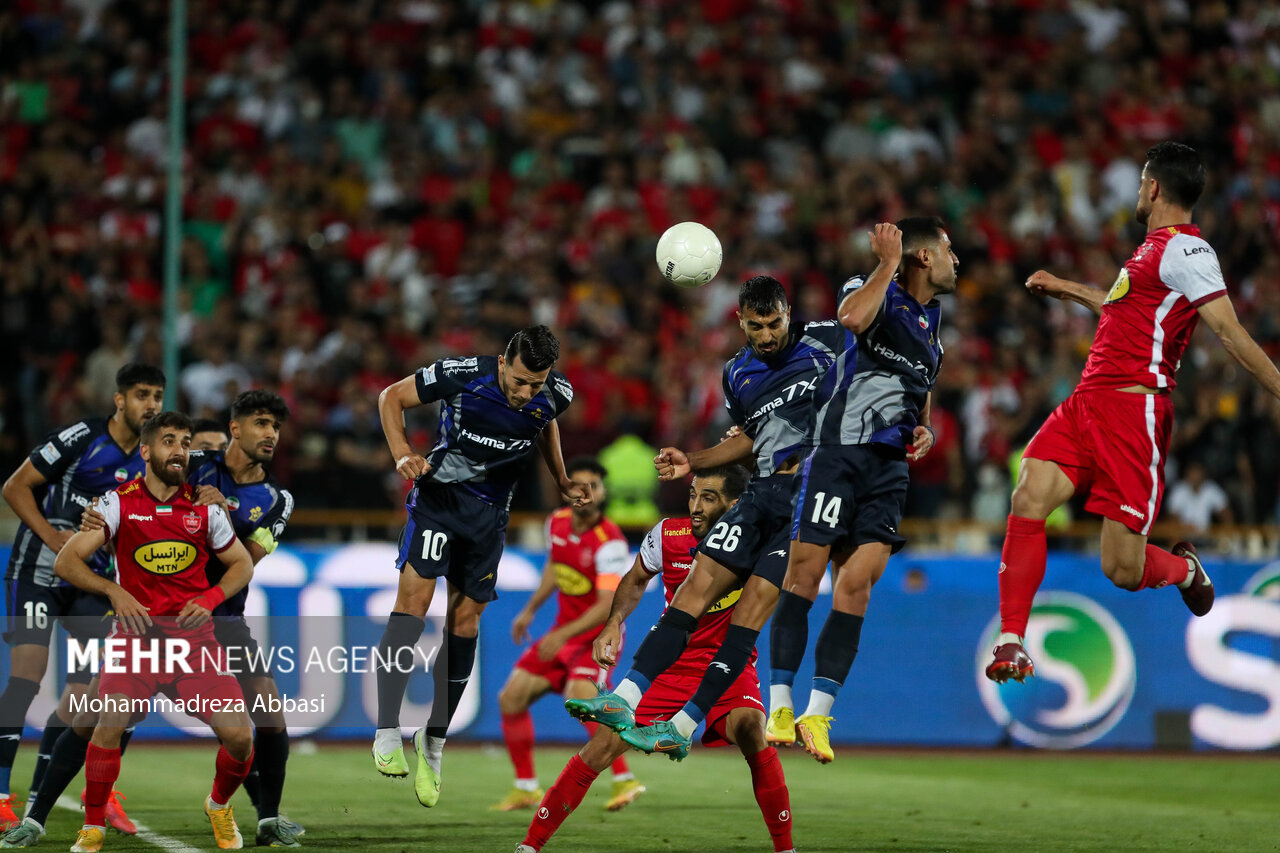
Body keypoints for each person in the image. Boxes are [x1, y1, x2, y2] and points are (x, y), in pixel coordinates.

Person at [986, 141, 1280, 683]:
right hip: (1086, 402)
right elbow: (1123, 309)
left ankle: (1185, 569)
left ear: (1153, 188)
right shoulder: (1150, 251)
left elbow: (1229, 332)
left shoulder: (1189, 252)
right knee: (1028, 494)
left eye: (1141, 183)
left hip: (1133, 413)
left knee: (1121, 568)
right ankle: (1012, 641)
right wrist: (1066, 288)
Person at [565, 276, 848, 761]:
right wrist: (692, 461)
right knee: (694, 587)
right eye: (755, 326)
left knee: (750, 610)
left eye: (774, 323)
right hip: (762, 492)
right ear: (740, 321)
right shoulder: (737, 373)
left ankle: (684, 722)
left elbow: (887, 360)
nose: (765, 335)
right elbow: (752, 438)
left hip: (810, 496)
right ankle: (625, 697)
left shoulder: (829, 338)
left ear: (788, 313)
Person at [6, 391, 302, 849]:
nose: (270, 434)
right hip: (141, 624)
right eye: (260, 424)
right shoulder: (191, 463)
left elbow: (248, 559)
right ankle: (43, 816)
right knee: (89, 714)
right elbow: (133, 475)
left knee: (261, 718)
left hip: (216, 620)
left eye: (276, 427)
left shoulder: (274, 499)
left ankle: (263, 816)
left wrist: (216, 521)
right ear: (234, 430)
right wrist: (98, 520)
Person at [515, 466, 796, 853]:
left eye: (709, 498)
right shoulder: (669, 534)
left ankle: (786, 849)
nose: (696, 507)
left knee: (750, 728)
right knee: (598, 751)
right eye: (693, 495)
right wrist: (613, 622)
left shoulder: (761, 543)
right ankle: (530, 846)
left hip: (727, 667)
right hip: (668, 666)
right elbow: (633, 579)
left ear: (735, 504)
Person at [372, 326, 590, 808]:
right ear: (502, 362)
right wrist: (402, 453)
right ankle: (387, 727)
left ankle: (434, 740)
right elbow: (390, 397)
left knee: (466, 621)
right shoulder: (462, 374)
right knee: (414, 601)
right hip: (439, 501)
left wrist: (560, 478)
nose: (525, 392)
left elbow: (545, 420)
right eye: (518, 381)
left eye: (536, 383)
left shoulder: (554, 394)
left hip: (489, 520)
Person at [768, 217, 954, 763]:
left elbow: (919, 390)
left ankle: (818, 712)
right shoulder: (872, 287)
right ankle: (779, 703)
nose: (956, 261)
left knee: (857, 586)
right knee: (804, 573)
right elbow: (851, 319)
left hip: (889, 467)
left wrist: (925, 426)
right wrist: (888, 263)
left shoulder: (933, 323)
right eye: (948, 251)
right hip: (839, 453)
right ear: (922, 257)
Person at [50, 411, 257, 853]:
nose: (178, 449)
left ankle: (218, 804)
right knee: (108, 724)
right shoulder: (116, 502)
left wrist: (209, 599)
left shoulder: (205, 508)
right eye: (168, 441)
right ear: (146, 451)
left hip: (193, 646)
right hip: (136, 641)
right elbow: (65, 562)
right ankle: (93, 827)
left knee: (240, 737)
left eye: (184, 442)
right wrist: (113, 591)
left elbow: (242, 564)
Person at [0, 363, 165, 832]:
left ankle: (44, 798)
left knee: (86, 698)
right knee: (26, 677)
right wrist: (53, 536)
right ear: (119, 400)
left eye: (156, 395)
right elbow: (14, 487)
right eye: (141, 395)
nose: (149, 404)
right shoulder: (81, 437)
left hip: (92, 582)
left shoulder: (152, 458)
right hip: (37, 571)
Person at [493, 458, 641, 813]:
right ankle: (526, 787)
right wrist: (530, 610)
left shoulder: (610, 543)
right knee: (510, 698)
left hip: (595, 638)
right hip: (563, 633)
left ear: (604, 493)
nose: (585, 492)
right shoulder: (555, 523)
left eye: (594, 485)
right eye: (579, 484)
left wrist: (561, 636)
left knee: (582, 700)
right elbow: (554, 569)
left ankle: (625, 778)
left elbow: (607, 605)